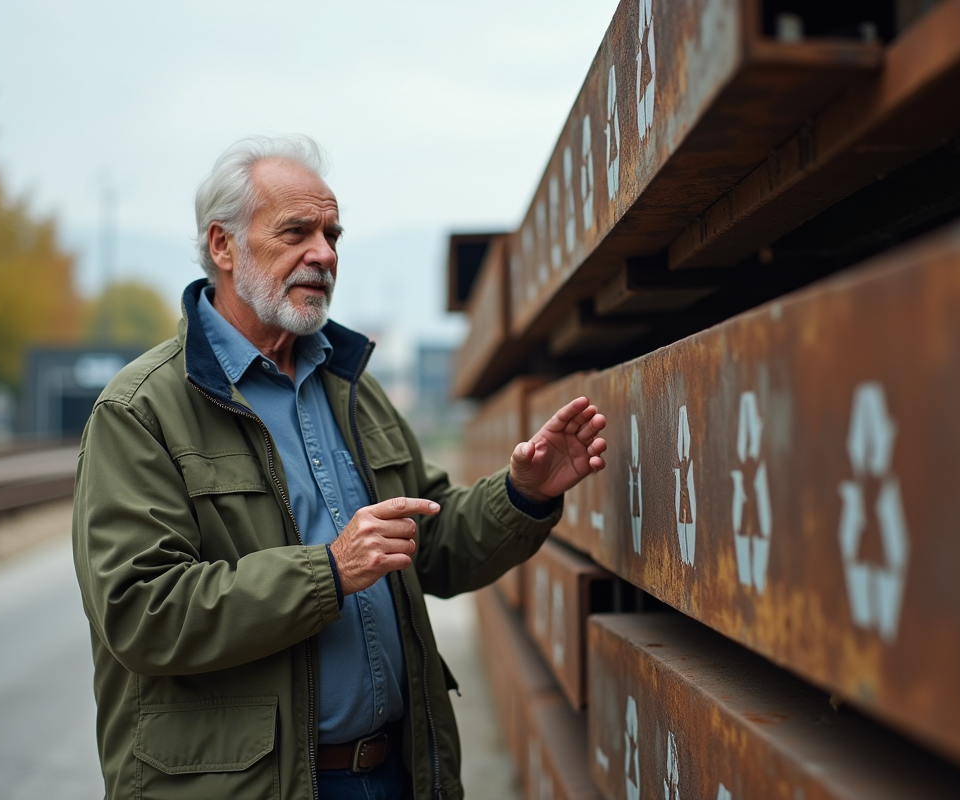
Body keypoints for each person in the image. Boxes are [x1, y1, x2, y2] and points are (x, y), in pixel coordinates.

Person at [72, 135, 607, 800]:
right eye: (296, 231)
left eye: (332, 235)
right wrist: (328, 570)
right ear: (223, 246)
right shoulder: (139, 410)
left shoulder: (349, 387)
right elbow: (140, 611)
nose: (323, 254)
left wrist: (522, 495)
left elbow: (431, 543)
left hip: (393, 772)